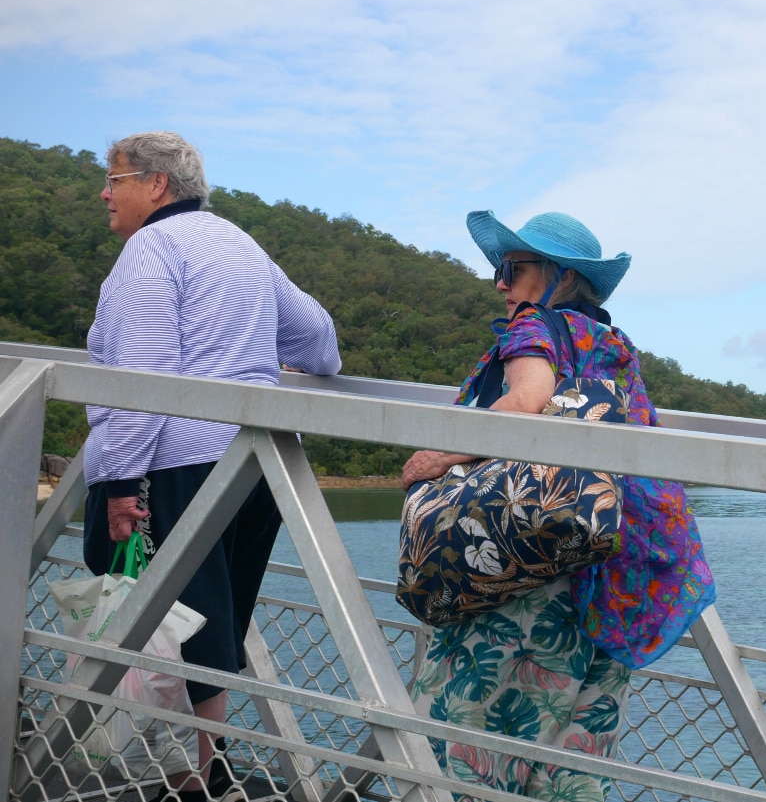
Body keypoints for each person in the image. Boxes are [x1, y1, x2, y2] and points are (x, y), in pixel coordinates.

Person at [402, 210, 714, 802]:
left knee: (462, 741)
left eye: (513, 268)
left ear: (560, 276)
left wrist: (437, 455)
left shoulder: (533, 329)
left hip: (530, 569)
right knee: (572, 762)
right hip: (610, 568)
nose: (500, 282)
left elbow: (528, 399)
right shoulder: (615, 349)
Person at [83, 131, 341, 801]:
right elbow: (318, 337)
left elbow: (143, 378)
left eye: (115, 178)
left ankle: (190, 777)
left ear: (157, 184)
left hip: (180, 463)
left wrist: (118, 485)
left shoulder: (151, 250)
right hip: (257, 468)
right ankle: (206, 766)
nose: (105, 192)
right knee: (216, 622)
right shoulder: (239, 243)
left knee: (179, 621)